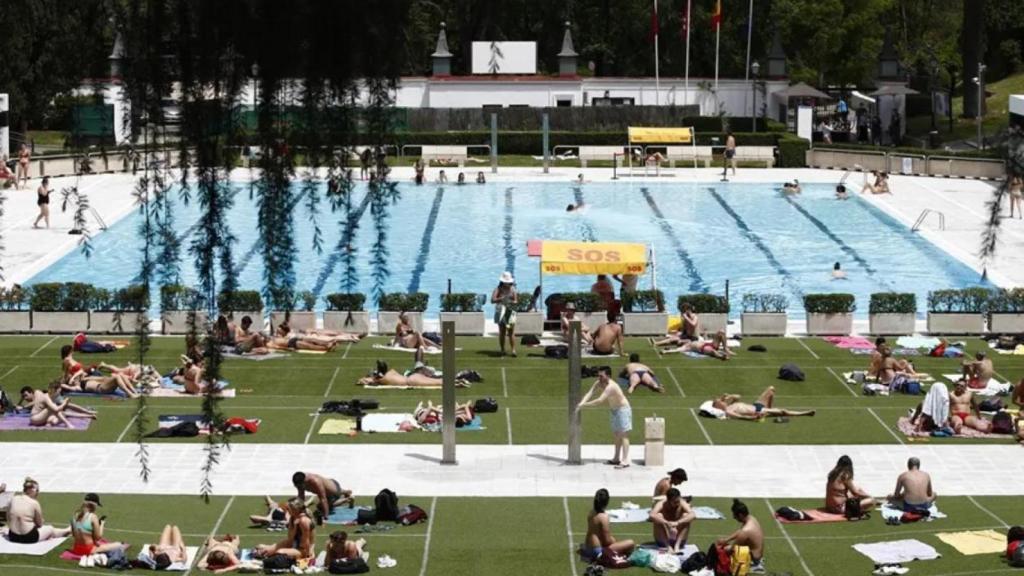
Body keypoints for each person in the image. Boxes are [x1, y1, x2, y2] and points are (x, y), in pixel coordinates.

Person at [577, 366, 632, 468]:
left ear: (608, 376)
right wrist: (582, 402)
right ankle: (616, 458)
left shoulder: (611, 386)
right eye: (598, 375)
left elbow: (599, 400)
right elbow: (590, 393)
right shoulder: (598, 382)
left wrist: (584, 405)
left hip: (623, 409)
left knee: (623, 435)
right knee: (616, 435)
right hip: (614, 410)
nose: (599, 378)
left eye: (601, 376)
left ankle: (625, 461)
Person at [5, 478, 71, 544]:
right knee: (50, 528)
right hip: (29, 537)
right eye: (37, 490)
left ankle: (66, 530)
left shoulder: (13, 499)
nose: (37, 493)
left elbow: (8, 518)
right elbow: (39, 524)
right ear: (32, 490)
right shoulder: (34, 503)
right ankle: (67, 530)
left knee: (44, 529)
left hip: (13, 536)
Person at [579, 489, 635, 563]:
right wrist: (614, 542)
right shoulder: (604, 517)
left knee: (617, 543)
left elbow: (598, 535)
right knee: (630, 543)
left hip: (587, 547)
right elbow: (607, 541)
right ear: (607, 502)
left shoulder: (591, 512)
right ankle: (622, 558)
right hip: (597, 551)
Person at [256, 497, 315, 561]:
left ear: (295, 509)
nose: (287, 510)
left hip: (302, 549)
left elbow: (307, 541)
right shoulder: (292, 518)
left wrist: (308, 555)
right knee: (261, 548)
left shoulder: (303, 521)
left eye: (289, 508)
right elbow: (290, 539)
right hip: (292, 544)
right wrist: (271, 548)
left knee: (279, 553)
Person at [715, 499, 765, 574]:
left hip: (754, 558)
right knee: (725, 545)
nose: (734, 517)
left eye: (735, 515)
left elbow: (731, 549)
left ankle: (755, 565)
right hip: (757, 553)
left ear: (740, 515)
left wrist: (722, 548)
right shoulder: (751, 519)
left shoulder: (745, 531)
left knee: (722, 551)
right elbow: (740, 532)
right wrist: (726, 540)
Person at [711, 386, 815, 420]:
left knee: (771, 389)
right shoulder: (728, 410)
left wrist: (729, 396)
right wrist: (753, 418)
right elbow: (740, 417)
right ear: (718, 406)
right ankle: (806, 413)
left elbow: (738, 396)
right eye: (720, 401)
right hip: (758, 411)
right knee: (783, 411)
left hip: (756, 405)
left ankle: (771, 412)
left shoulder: (730, 405)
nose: (722, 401)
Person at [650, 488, 695, 553]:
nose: (677, 504)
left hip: (679, 538)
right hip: (663, 539)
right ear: (668, 500)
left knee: (686, 516)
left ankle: (677, 546)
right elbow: (652, 515)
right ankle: (668, 547)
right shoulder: (662, 504)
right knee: (658, 516)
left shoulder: (682, 503)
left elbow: (693, 514)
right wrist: (666, 523)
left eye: (678, 501)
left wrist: (678, 522)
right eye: (675, 502)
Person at [358, 363, 471, 388]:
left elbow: (362, 381)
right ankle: (457, 380)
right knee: (438, 381)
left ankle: (457, 382)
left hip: (411, 381)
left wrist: (371, 377)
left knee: (437, 382)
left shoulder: (383, 380)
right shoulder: (391, 372)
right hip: (413, 377)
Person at [492, 271, 518, 357]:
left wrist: (511, 302)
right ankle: (502, 349)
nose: (508, 284)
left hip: (510, 311)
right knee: (502, 332)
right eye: (506, 282)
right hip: (500, 311)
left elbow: (516, 300)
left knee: (511, 332)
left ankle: (513, 350)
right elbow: (492, 300)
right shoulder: (498, 289)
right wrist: (501, 298)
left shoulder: (513, 289)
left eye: (509, 282)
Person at [666, 330, 734, 360]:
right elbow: (676, 350)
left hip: (709, 344)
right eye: (682, 342)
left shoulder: (690, 340)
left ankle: (726, 349)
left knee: (721, 332)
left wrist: (705, 334)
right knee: (713, 351)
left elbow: (704, 338)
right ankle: (722, 357)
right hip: (703, 349)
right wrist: (666, 351)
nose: (683, 341)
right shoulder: (686, 347)